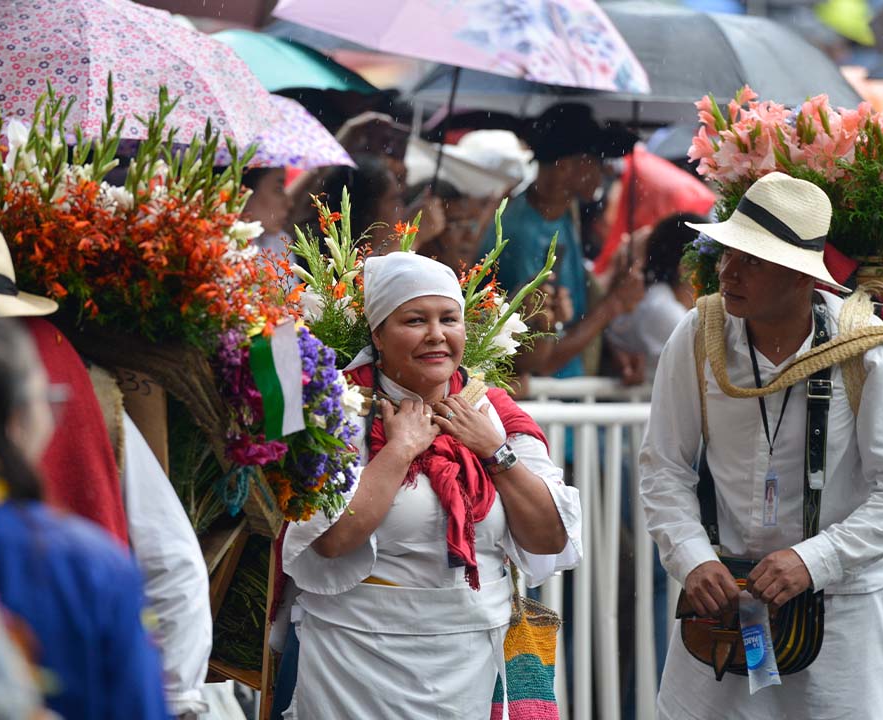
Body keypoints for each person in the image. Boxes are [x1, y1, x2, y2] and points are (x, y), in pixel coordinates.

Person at [0, 224, 221, 718]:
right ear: (20, 418)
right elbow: (173, 564)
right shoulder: (87, 570)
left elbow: (174, 564)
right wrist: (180, 699)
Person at [639, 172, 883, 718]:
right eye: (731, 252)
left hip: (846, 620)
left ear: (803, 276)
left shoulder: (870, 353)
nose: (728, 271)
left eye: (752, 259)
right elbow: (663, 468)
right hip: (725, 614)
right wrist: (692, 557)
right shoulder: (697, 335)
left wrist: (813, 560)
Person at [282, 252, 582, 719]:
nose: (437, 335)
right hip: (355, 666)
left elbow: (549, 537)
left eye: (449, 319)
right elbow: (334, 540)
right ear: (378, 334)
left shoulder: (493, 412)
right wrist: (398, 450)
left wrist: (493, 452)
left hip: (472, 664)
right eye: (415, 320)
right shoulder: (342, 406)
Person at [481, 103, 642, 378]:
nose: (602, 172)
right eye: (595, 161)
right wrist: (612, 305)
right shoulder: (521, 234)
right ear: (565, 167)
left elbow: (573, 320)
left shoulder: (563, 214)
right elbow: (542, 359)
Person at [606, 212, 705, 373]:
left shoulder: (658, 299)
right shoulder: (663, 309)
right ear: (686, 267)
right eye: (710, 262)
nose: (721, 272)